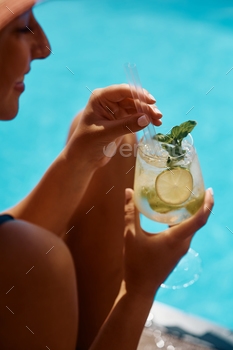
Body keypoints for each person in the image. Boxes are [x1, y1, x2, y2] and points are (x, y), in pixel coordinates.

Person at [0, 1, 214, 349]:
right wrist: (139, 291)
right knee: (35, 255)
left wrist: (81, 156)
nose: (45, 47)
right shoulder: (26, 257)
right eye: (22, 28)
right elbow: (17, 248)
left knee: (117, 145)